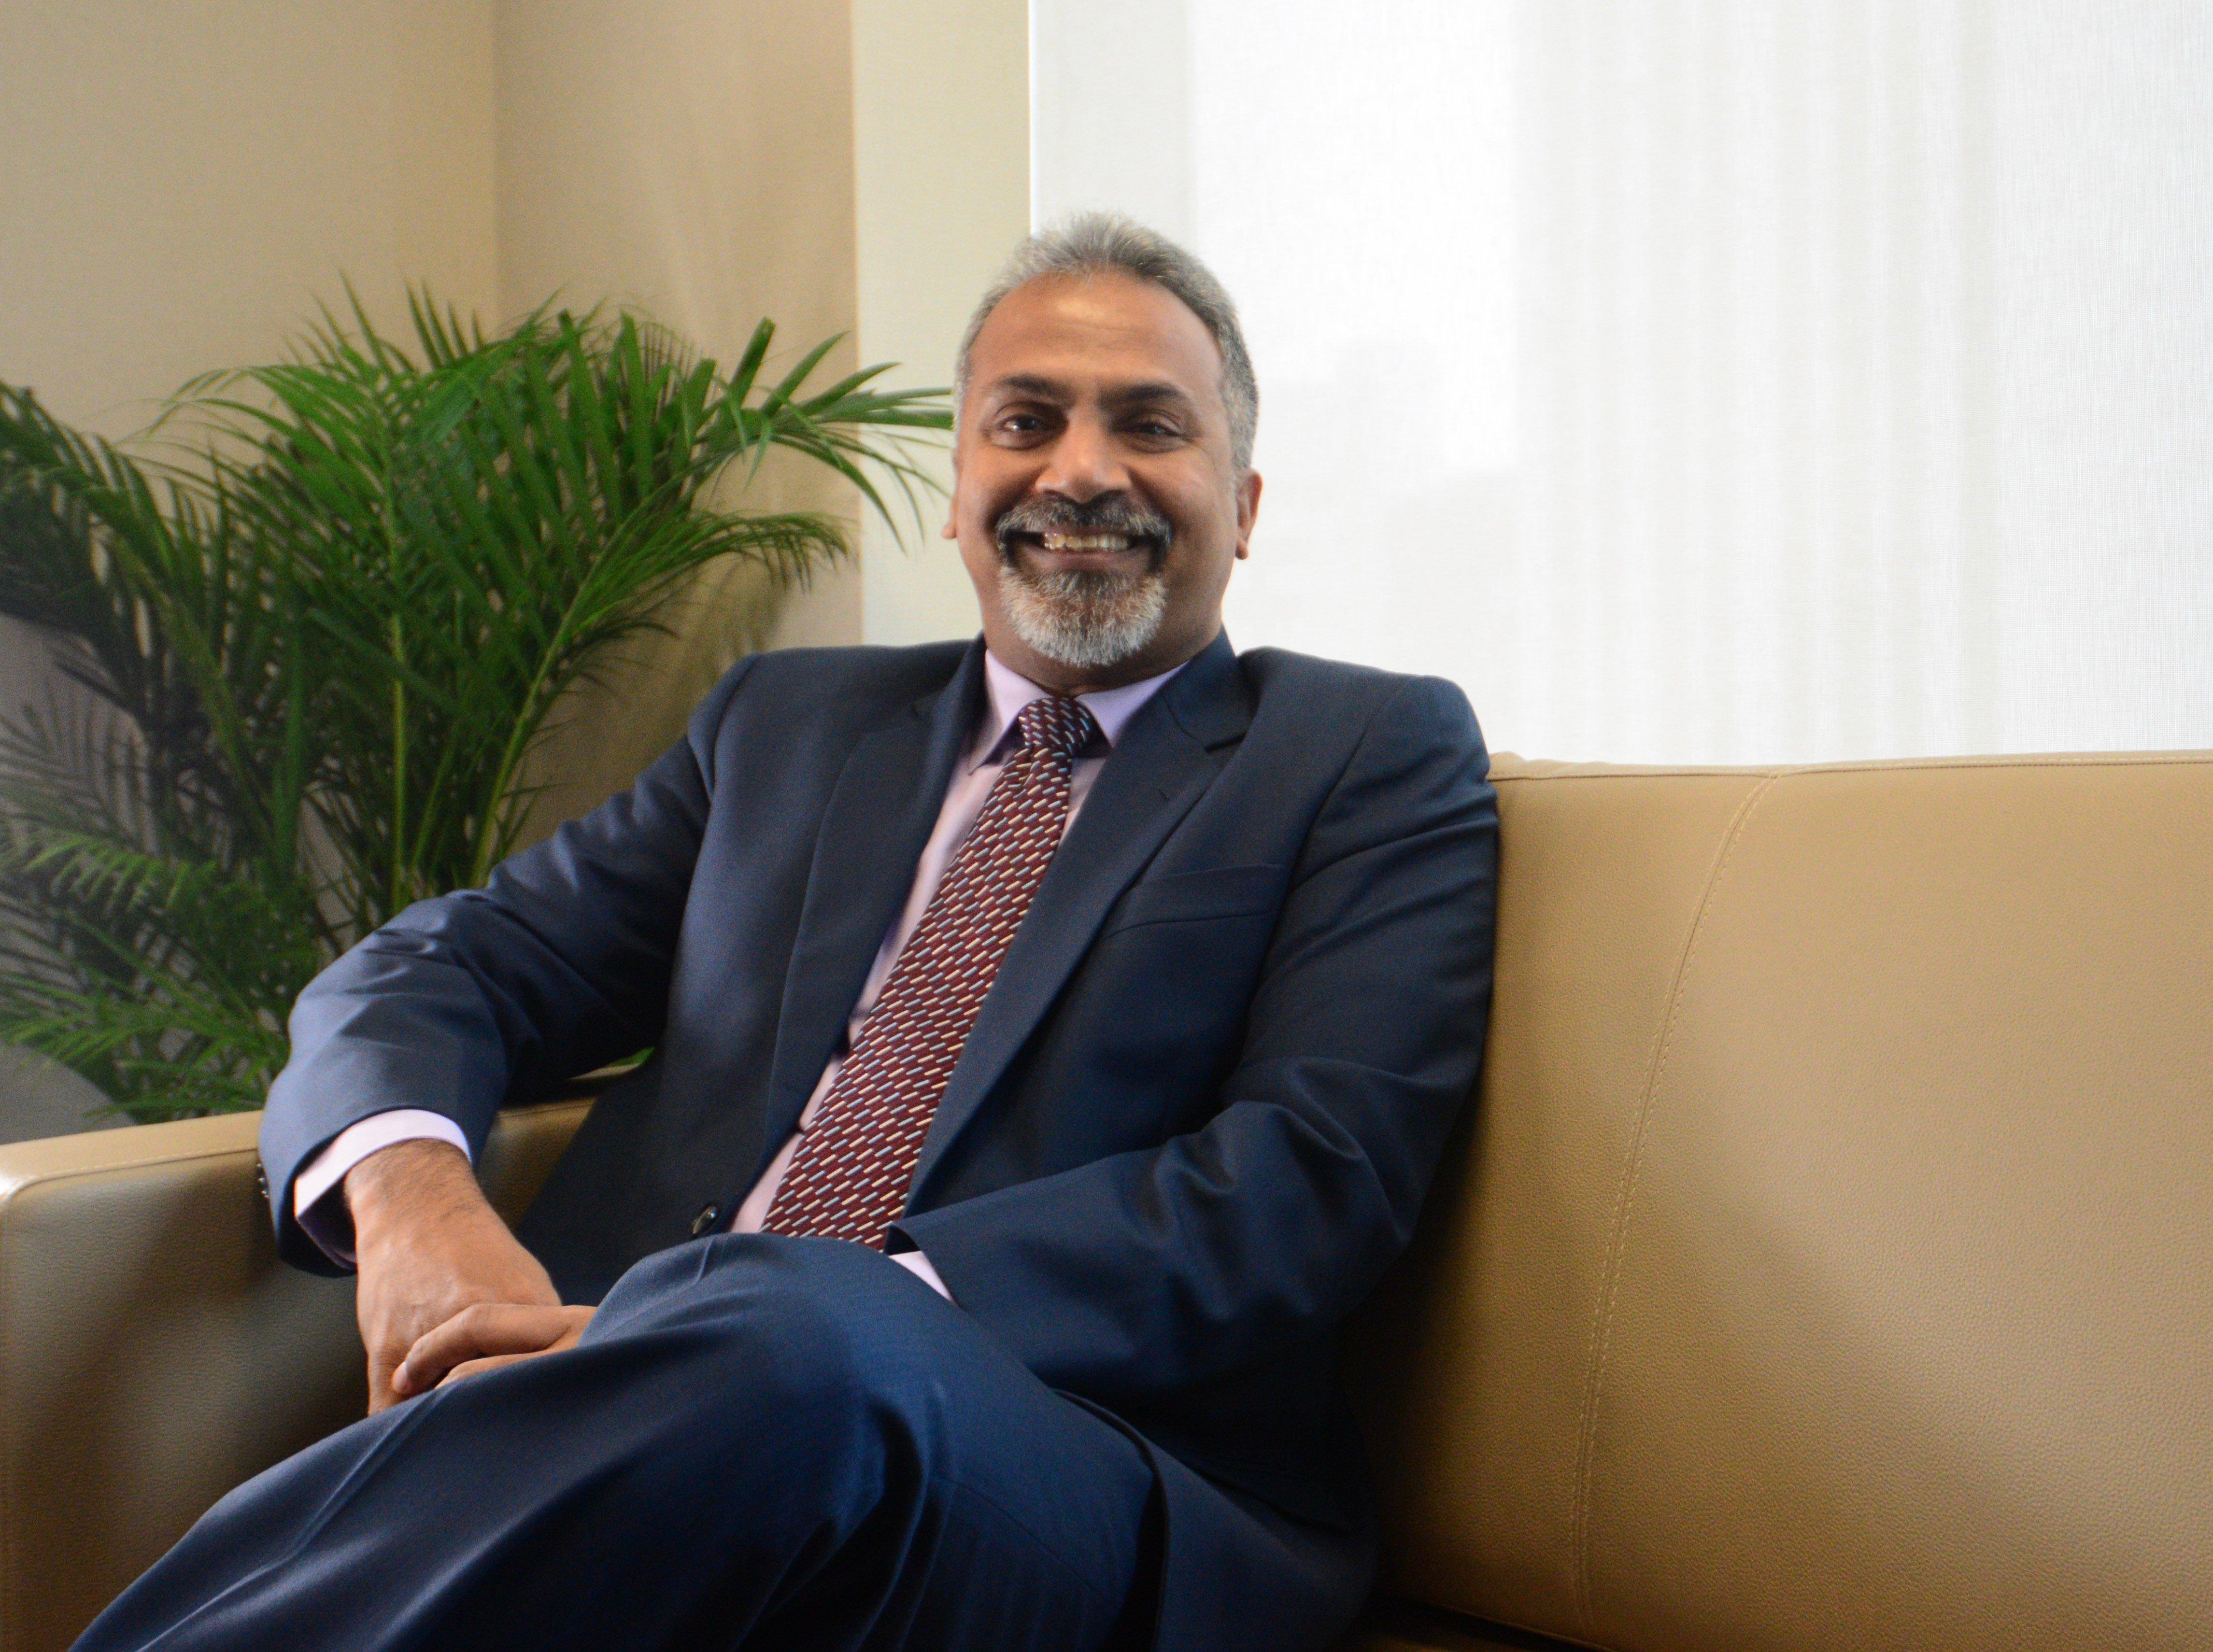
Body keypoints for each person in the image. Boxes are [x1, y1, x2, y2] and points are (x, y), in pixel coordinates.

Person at [73, 214, 1498, 1652]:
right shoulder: (786, 726)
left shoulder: (1360, 750)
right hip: (614, 1392)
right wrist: (417, 1219)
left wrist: (739, 1322)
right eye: (1024, 422)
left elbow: (1310, 1177)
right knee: (730, 1363)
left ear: (1240, 504)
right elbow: (444, 966)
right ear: (957, 492)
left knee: (798, 1335)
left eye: (1149, 424)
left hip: (1075, 1460)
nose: (1080, 470)